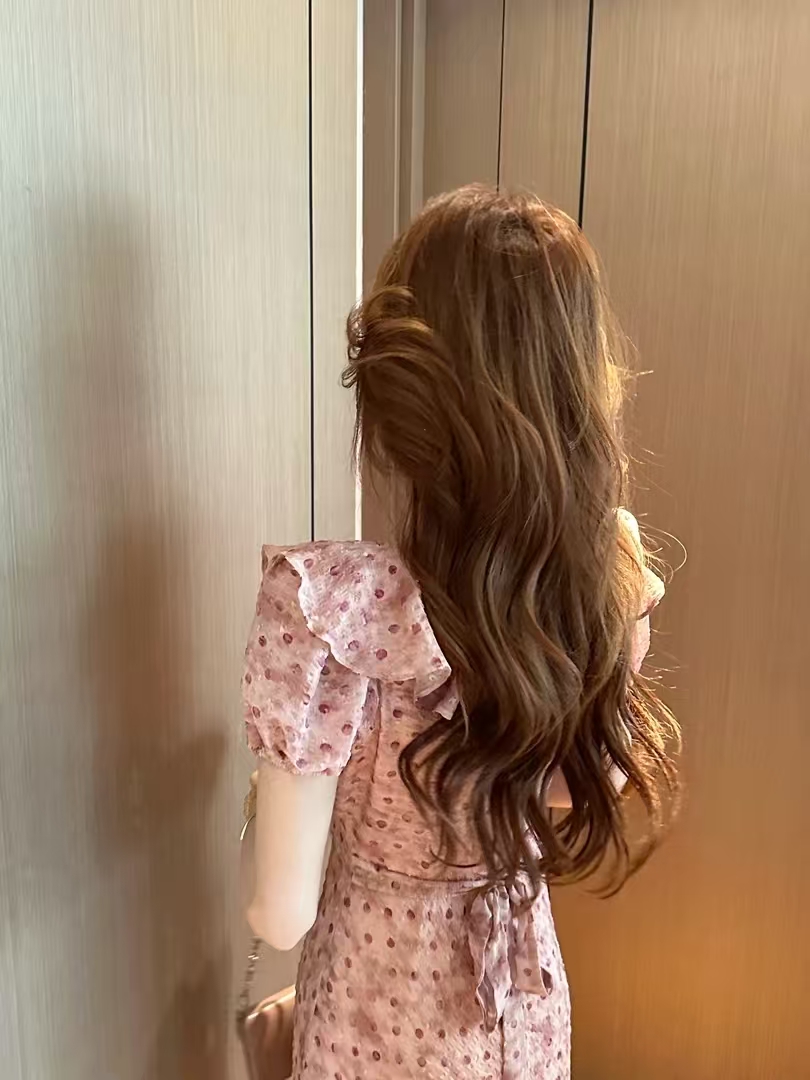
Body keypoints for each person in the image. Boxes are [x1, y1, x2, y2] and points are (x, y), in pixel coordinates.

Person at [242, 185, 679, 1079]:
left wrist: (268, 797)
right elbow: (574, 786)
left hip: (372, 1011)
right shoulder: (605, 579)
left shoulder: (337, 611)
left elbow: (280, 917)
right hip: (522, 1003)